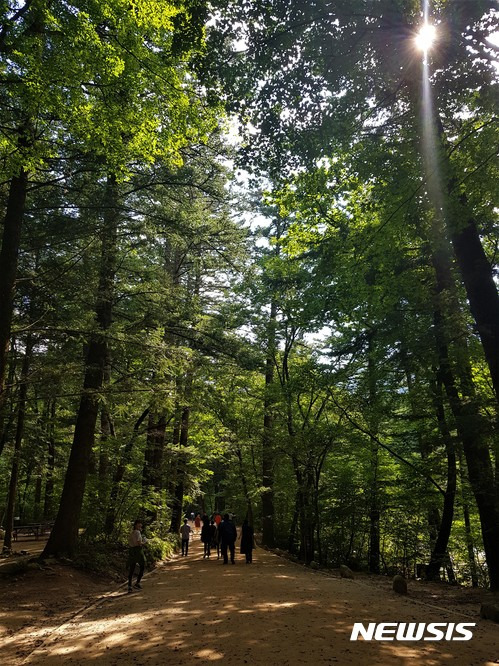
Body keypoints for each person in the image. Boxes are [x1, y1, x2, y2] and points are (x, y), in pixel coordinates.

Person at [127, 519, 146, 593]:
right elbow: (139, 543)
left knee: (132, 568)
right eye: (139, 524)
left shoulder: (132, 532)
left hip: (131, 550)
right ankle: (137, 582)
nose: (140, 525)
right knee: (143, 565)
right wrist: (144, 542)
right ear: (136, 525)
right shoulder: (137, 532)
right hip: (137, 550)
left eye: (140, 524)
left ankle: (129, 585)